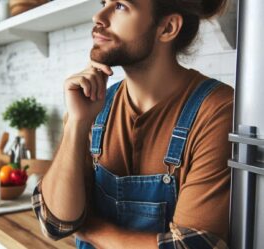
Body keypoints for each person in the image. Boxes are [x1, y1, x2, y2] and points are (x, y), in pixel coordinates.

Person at [32, 0, 233, 248]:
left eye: (120, 6)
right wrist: (76, 123)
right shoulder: (90, 105)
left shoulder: (217, 110)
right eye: (105, 2)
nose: (98, 16)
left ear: (168, 27)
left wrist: (93, 230)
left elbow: (195, 246)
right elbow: (55, 224)